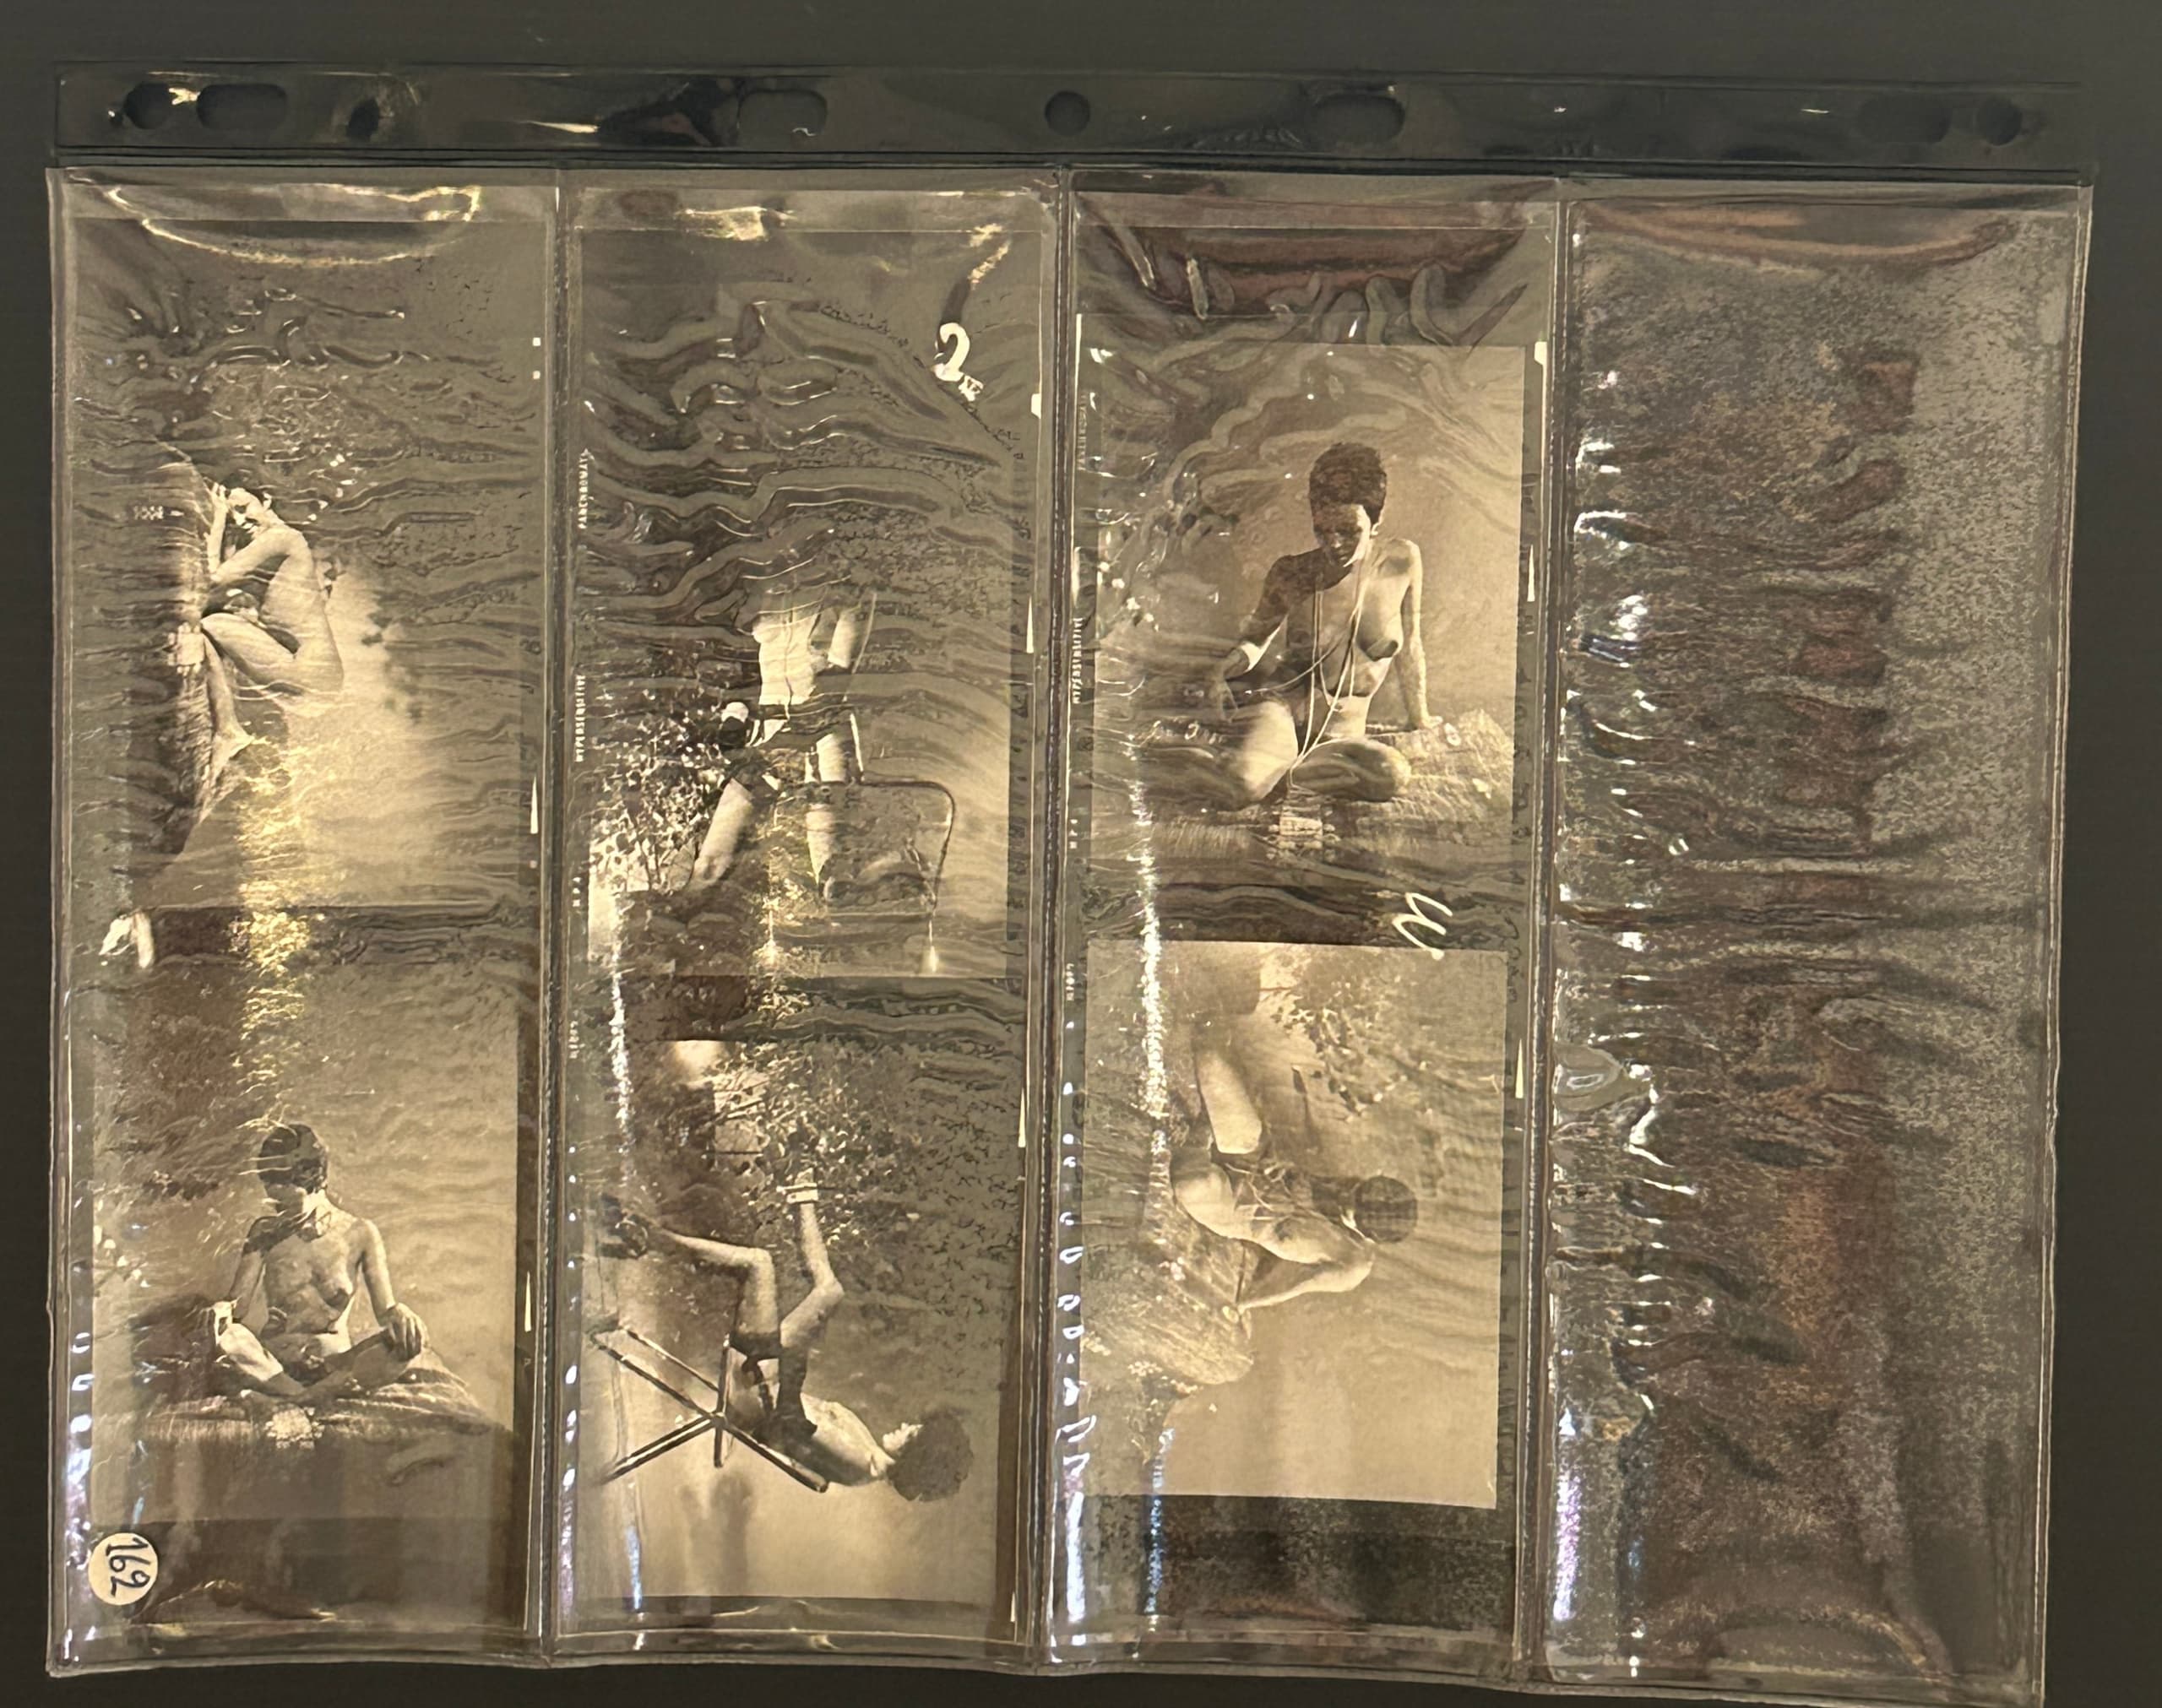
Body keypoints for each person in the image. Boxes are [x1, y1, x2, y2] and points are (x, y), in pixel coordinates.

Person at [601, 1172, 970, 1500]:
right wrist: (793, 1354)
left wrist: (796, 1356)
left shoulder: (857, 1460)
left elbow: (787, 1421)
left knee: (759, 1264)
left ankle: (654, 1239)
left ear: (915, 1454)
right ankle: (803, 1193)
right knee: (830, 1292)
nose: (907, 1425)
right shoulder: (868, 1457)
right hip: (765, 1383)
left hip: (752, 1393)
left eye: (913, 1432)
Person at [1156, 442, 1433, 809]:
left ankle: (1277, 771)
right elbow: (1255, 642)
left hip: (1342, 736)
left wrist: (1420, 718)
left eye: (1348, 531)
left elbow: (1411, 645)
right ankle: (1165, 757)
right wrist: (1221, 671)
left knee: (1390, 775)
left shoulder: (1403, 560)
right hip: (1285, 714)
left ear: (1375, 523)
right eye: (1323, 530)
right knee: (1241, 788)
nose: (1334, 543)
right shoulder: (1292, 573)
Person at [676, 561, 928, 916]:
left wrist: (791, 737)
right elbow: (743, 678)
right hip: (769, 739)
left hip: (824, 736)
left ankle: (897, 880)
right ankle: (672, 926)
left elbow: (836, 679)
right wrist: (734, 719)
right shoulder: (761, 596)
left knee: (833, 875)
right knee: (709, 863)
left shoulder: (848, 593)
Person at [201, 1124, 429, 1398]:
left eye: (288, 1201)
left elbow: (386, 1312)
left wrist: (401, 1313)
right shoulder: (264, 1231)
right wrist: (223, 1309)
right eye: (275, 1201)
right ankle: (305, 1395)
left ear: (312, 1179)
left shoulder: (361, 1232)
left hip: (336, 1364)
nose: (280, 1210)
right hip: (275, 1367)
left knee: (404, 1343)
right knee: (229, 1335)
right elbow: (238, 1306)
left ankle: (304, 1395)